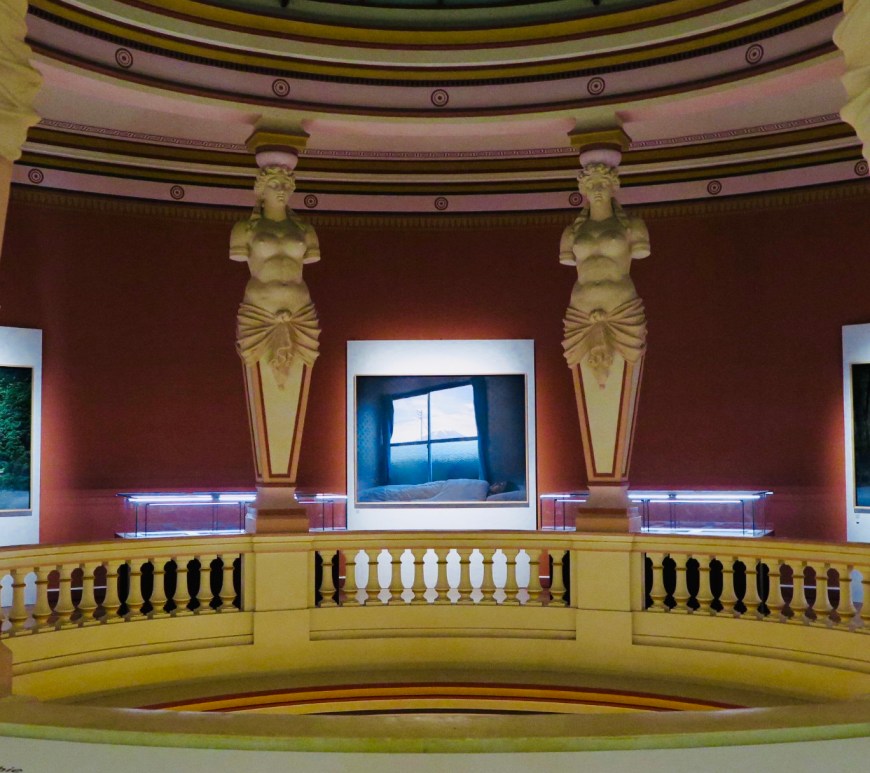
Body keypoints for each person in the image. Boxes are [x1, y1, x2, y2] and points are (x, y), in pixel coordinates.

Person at [230, 164, 320, 387]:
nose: (281, 190)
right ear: (261, 189)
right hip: (259, 311)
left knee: (297, 375)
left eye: (286, 185)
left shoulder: (306, 231)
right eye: (274, 184)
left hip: (300, 310)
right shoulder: (244, 229)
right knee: (262, 375)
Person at [560, 161, 650, 387]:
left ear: (613, 187)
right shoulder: (570, 234)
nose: (597, 190)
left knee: (623, 371)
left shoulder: (634, 226)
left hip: (621, 308)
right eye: (591, 186)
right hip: (580, 311)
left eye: (602, 184)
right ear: (584, 191)